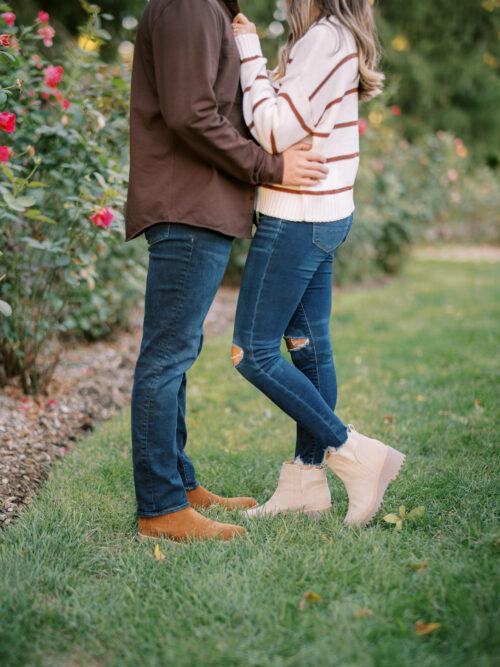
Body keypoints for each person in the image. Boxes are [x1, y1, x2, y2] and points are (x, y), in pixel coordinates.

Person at [125, 0, 329, 542]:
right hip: (186, 205)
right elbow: (190, 113)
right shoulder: (190, 5)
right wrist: (270, 167)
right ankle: (160, 508)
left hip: (199, 205)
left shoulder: (209, 7)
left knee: (177, 354)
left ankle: (180, 485)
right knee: (166, 358)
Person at [231, 0, 405, 525]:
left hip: (297, 217)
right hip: (320, 215)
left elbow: (273, 131)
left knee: (252, 352)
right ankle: (305, 483)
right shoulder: (331, 39)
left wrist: (248, 55)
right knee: (308, 349)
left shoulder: (324, 41)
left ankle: (353, 452)